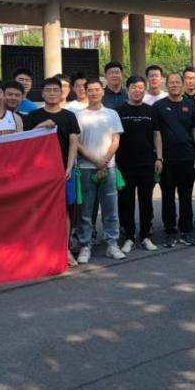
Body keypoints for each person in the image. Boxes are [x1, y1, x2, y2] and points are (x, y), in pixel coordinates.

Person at [24, 77, 81, 267]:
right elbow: (26, 141)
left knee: (64, 211)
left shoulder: (69, 116)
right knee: (39, 211)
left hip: (64, 171)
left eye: (55, 90)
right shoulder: (33, 116)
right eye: (48, 90)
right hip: (40, 172)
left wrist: (69, 167)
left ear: (61, 93)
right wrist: (40, 127)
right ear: (42, 93)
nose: (51, 93)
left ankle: (64, 249)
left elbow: (73, 142)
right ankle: (40, 250)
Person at [75, 79, 125, 261]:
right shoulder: (79, 115)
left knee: (110, 209)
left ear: (102, 92)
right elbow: (77, 143)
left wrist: (103, 161)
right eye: (90, 90)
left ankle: (112, 244)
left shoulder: (112, 114)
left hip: (108, 168)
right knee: (86, 211)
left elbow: (115, 141)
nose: (94, 93)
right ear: (85, 92)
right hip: (86, 168)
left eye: (97, 89)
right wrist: (95, 161)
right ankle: (85, 245)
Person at [154, 72, 195, 248]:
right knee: (168, 196)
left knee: (186, 196)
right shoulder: (159, 106)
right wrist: (159, 157)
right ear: (166, 85)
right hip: (167, 159)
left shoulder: (190, 105)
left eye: (177, 82)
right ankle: (170, 232)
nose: (174, 85)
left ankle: (186, 230)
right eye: (171, 82)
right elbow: (157, 133)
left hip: (187, 158)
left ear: (182, 84)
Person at [115, 76, 162, 253]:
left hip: (147, 163)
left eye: (141, 87)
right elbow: (114, 137)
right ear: (127, 89)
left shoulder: (150, 110)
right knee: (126, 201)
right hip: (124, 163)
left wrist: (159, 158)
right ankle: (128, 237)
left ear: (144, 89)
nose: (137, 90)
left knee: (146, 201)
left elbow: (157, 135)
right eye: (134, 87)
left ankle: (145, 236)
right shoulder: (119, 111)